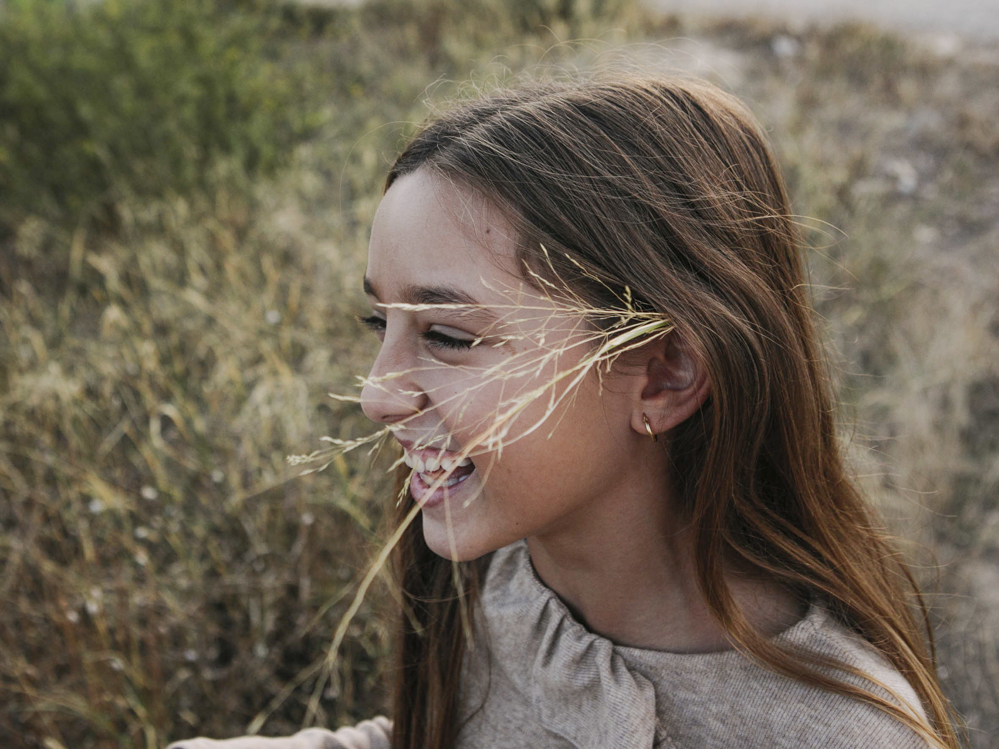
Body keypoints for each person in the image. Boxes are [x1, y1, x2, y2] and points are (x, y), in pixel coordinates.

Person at [168, 75, 962, 749]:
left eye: (447, 335)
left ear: (663, 374)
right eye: (381, 324)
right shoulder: (496, 555)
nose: (377, 394)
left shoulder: (836, 732)